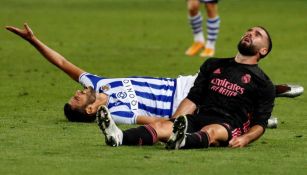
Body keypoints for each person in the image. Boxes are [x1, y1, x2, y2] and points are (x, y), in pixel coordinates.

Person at [6, 24, 303, 126]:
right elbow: (155, 121)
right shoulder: (119, 112)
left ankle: (273, 93)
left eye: (77, 92)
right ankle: (269, 101)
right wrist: (176, 123)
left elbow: (62, 62)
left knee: (231, 81)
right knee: (230, 87)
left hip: (180, 83)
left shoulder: (97, 84)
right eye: (78, 98)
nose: (79, 91)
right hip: (184, 103)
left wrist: (32, 40)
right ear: (91, 108)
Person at [98, 26, 282, 149]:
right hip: (198, 117)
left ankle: (182, 140)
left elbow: (260, 123)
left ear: (263, 51)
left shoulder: (263, 83)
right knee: (162, 125)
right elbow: (194, 98)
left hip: (228, 125)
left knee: (211, 132)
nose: (249, 33)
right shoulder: (213, 64)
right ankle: (119, 136)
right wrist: (176, 121)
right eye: (249, 31)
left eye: (257, 34)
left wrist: (245, 138)